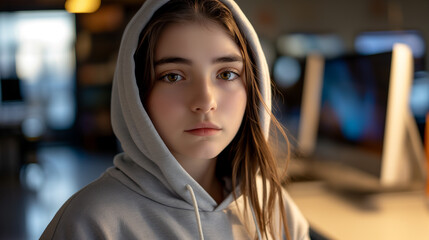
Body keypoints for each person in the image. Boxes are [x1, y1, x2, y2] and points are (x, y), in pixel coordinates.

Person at [41, 0, 310, 239]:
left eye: (227, 74)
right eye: (173, 76)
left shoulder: (276, 210)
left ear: (253, 86)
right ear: (137, 92)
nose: (205, 101)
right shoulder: (90, 222)